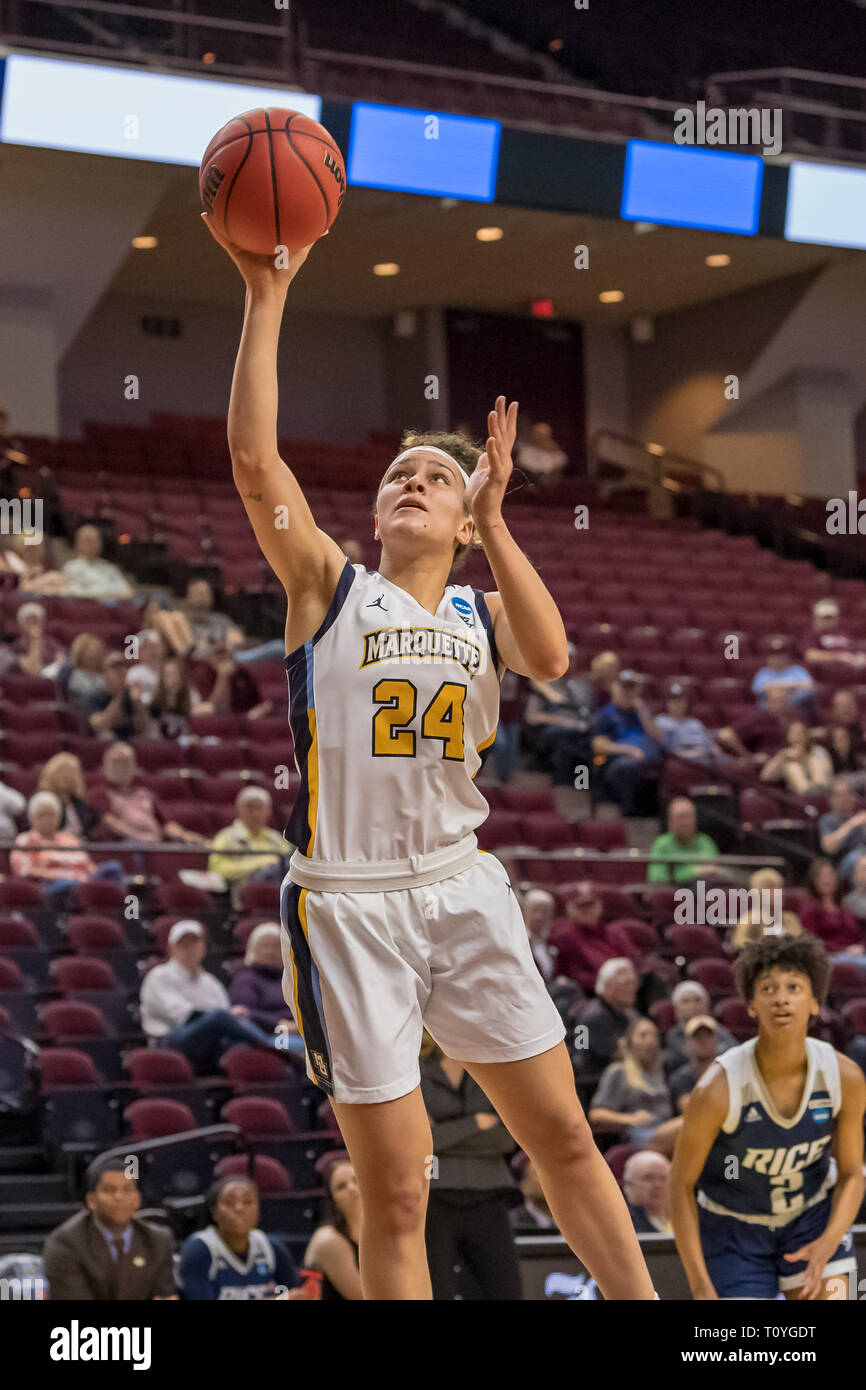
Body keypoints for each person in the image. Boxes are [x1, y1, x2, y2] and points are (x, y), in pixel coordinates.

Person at [204, 210, 656, 1301]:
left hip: (459, 886)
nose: (413, 479)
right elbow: (253, 458)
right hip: (347, 901)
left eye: (436, 477)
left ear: (460, 519)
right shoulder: (328, 587)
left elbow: (549, 656)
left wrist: (497, 523)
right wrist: (266, 294)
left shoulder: (475, 603)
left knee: (558, 1139)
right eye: (398, 473)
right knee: (398, 1187)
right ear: (371, 513)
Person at [671, 934, 865, 1300]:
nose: (781, 998)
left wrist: (829, 1241)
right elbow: (679, 1185)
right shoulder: (717, 1087)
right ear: (751, 1005)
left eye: (793, 987)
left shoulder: (845, 1076)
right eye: (768, 988)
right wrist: (700, 1286)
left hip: (811, 1218)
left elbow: (853, 1174)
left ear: (813, 1002)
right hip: (733, 1228)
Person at [420, 1032, 522, 1301]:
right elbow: (422, 1140)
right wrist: (477, 1124)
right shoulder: (413, 1069)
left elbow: (506, 1138)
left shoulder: (491, 1067)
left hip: (490, 1195)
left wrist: (445, 1132)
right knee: (437, 1291)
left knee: (507, 1290)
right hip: (434, 1198)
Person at [140, 920, 291, 1070]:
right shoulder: (159, 976)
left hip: (210, 1043)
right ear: (171, 948)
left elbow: (228, 1018)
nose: (189, 948)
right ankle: (274, 1046)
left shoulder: (210, 981)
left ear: (203, 948)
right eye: (183, 943)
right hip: (170, 1041)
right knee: (219, 1017)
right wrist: (217, 1018)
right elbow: (184, 1015)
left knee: (241, 1047)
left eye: (194, 942)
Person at [43, 1157, 175, 1300]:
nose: (119, 1197)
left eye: (127, 1189)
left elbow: (165, 1295)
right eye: (109, 1190)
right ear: (91, 1201)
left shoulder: (158, 1240)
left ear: (137, 1199)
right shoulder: (65, 1243)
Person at [177, 1175, 306, 1300]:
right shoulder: (199, 1249)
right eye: (229, 1202)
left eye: (248, 1202)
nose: (239, 1208)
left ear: (258, 1209)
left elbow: (293, 1293)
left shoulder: (271, 1247)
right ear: (214, 1212)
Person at [588, 1017, 679, 1152]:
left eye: (654, 1036)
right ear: (629, 1041)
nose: (650, 1041)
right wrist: (629, 1118)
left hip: (666, 1128)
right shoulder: (618, 1071)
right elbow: (596, 1114)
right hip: (640, 1134)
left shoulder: (660, 1073)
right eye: (643, 1035)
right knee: (687, 1125)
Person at [10, 792, 121, 899]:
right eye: (42, 815)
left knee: (113, 867)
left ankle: (122, 912)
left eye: (51, 814)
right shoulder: (25, 839)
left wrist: (87, 876)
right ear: (32, 817)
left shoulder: (69, 838)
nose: (47, 819)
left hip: (82, 880)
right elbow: (23, 871)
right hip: (52, 885)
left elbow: (88, 865)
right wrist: (58, 874)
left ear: (58, 817)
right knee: (68, 884)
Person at [94, 741, 205, 846]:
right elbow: (111, 824)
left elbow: (165, 824)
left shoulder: (145, 793)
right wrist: (143, 839)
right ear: (105, 766)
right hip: (126, 848)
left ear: (134, 766)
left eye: (126, 763)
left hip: (153, 846)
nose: (120, 768)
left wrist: (184, 835)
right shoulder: (100, 794)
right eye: (116, 762)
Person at [523, 642, 596, 786]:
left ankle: (580, 787)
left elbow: (589, 714)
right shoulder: (543, 686)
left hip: (579, 733)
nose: (568, 663)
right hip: (551, 733)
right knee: (564, 742)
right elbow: (532, 717)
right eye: (565, 658)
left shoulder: (582, 687)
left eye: (571, 659)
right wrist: (564, 722)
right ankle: (564, 785)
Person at [592, 671, 661, 816]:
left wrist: (641, 711)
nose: (628, 691)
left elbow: (658, 737)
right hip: (619, 762)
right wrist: (628, 750)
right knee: (627, 766)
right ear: (618, 688)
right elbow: (598, 744)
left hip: (650, 761)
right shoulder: (608, 712)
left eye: (632, 687)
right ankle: (629, 815)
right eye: (625, 687)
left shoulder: (643, 711)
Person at [549, 881, 639, 992]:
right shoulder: (563, 938)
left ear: (600, 905)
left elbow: (633, 962)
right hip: (589, 996)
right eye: (581, 906)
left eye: (591, 905)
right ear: (569, 908)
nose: (587, 910)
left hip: (625, 989)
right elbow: (573, 976)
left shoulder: (616, 933)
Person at [229, 922, 305, 1054]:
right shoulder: (245, 979)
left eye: (276, 946)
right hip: (268, 1036)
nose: (270, 951)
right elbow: (243, 1014)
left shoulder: (290, 979)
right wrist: (279, 1023)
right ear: (253, 949)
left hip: (299, 1031)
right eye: (265, 946)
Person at [208, 787, 290, 906]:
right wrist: (256, 865)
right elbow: (216, 869)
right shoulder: (226, 837)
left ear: (268, 811)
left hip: (279, 893)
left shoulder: (275, 838)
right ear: (239, 810)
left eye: (260, 808)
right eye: (250, 807)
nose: (255, 813)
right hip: (245, 895)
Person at [303, 1153, 363, 1301]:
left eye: (356, 1181)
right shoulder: (328, 1240)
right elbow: (363, 1296)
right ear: (333, 1200)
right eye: (341, 1186)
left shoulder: (377, 1232)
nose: (352, 1189)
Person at [573, 957, 640, 1076]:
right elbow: (618, 1054)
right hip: (594, 1081)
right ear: (607, 986)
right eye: (626, 984)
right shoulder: (593, 1017)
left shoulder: (628, 1013)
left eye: (633, 983)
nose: (632, 988)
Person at [800, 859, 866, 964]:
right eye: (822, 875)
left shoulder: (845, 906)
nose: (827, 879)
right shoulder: (810, 909)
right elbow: (812, 940)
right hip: (830, 957)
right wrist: (844, 949)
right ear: (814, 881)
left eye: (830, 874)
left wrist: (861, 947)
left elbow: (861, 933)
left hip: (855, 954)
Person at [664, 982, 738, 1075]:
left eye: (697, 1000)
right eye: (686, 1001)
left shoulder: (719, 1029)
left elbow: (734, 1051)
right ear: (676, 1009)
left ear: (707, 1005)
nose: (693, 1005)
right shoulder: (674, 1035)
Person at [650, 681, 728, 764]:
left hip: (706, 758)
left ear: (686, 702)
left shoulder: (695, 722)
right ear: (667, 703)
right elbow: (664, 747)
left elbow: (711, 745)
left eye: (680, 700)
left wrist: (718, 756)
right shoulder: (661, 721)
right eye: (673, 700)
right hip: (682, 761)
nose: (677, 704)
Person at [647, 797, 721, 884]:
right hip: (673, 895)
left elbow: (714, 872)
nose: (684, 823)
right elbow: (657, 878)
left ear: (695, 819)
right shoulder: (661, 843)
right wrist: (694, 871)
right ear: (670, 822)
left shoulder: (705, 842)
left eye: (687, 817)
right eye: (680, 817)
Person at [730, 867, 803, 950]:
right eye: (771, 889)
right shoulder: (750, 919)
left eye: (779, 888)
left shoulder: (791, 918)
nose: (778, 893)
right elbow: (738, 942)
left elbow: (800, 942)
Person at [759, 720, 833, 797]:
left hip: (823, 789)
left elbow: (828, 770)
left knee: (816, 760)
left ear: (807, 735)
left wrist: (805, 757)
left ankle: (819, 789)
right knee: (792, 766)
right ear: (788, 736)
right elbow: (765, 777)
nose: (798, 735)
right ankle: (807, 792)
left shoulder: (817, 750)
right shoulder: (784, 756)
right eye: (794, 732)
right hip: (800, 796)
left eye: (801, 732)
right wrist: (783, 756)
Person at [669, 1016, 727, 1113]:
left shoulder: (728, 1071)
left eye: (708, 1036)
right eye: (697, 1037)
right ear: (687, 1043)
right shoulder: (681, 1078)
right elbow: (690, 1109)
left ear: (717, 1040)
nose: (703, 1041)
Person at [88, 652, 151, 741]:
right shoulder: (96, 696)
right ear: (105, 673)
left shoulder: (130, 695)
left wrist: (137, 701)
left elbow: (146, 725)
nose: (120, 672)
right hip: (110, 743)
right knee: (107, 736)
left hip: (130, 739)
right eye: (114, 669)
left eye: (122, 668)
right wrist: (120, 695)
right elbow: (102, 726)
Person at [61, 524, 132, 599]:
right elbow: (73, 594)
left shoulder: (109, 567)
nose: (91, 544)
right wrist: (106, 596)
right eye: (87, 540)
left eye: (95, 540)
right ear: (78, 543)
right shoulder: (71, 567)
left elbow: (129, 593)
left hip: (115, 608)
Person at [38, 752, 99, 839]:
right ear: (51, 774)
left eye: (71, 772)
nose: (66, 776)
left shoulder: (80, 803)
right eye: (61, 771)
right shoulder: (44, 802)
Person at [819, 775, 866, 883]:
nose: (843, 799)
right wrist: (851, 824)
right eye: (839, 795)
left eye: (847, 794)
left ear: (854, 797)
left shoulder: (862, 816)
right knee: (859, 861)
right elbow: (828, 847)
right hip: (843, 863)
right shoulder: (827, 820)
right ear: (831, 799)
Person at [182, 578, 242, 658]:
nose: (202, 596)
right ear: (188, 597)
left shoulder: (222, 620)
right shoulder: (181, 621)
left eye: (206, 592)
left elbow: (237, 639)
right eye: (197, 592)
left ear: (212, 597)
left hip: (222, 659)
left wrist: (224, 647)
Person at [751, 636, 815, 711]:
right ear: (768, 658)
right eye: (774, 656)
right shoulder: (763, 673)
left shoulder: (797, 670)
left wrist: (777, 688)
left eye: (781, 655)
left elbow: (809, 686)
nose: (778, 659)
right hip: (770, 707)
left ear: (787, 656)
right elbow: (758, 689)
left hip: (795, 705)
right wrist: (790, 686)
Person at [802, 598, 864, 670]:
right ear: (817, 617)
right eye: (825, 617)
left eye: (830, 617)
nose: (828, 620)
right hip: (824, 672)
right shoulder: (812, 634)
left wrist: (858, 657)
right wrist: (838, 657)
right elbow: (810, 655)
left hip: (847, 672)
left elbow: (853, 652)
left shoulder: (844, 633)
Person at [622, 1151, 673, 1234]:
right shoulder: (622, 1222)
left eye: (664, 1178)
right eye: (648, 1178)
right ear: (628, 1185)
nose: (658, 1185)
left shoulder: (686, 1218)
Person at [14, 600, 64, 677]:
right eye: (29, 620)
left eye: (36, 620)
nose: (33, 624)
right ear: (21, 624)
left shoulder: (52, 643)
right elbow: (32, 670)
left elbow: (61, 662)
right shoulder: (16, 646)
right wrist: (35, 639)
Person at [511, 1155, 557, 1231]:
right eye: (537, 1175)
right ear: (522, 1183)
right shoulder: (513, 1222)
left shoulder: (573, 1217)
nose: (545, 1181)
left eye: (550, 1175)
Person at [64, 633, 107, 709]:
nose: (92, 655)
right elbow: (87, 694)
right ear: (80, 654)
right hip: (83, 710)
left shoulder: (104, 675)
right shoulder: (75, 674)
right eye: (88, 652)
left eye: (95, 651)